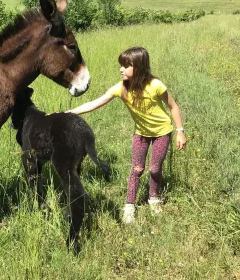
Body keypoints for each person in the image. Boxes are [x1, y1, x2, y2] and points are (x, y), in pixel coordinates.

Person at [66, 46, 187, 224]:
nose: (121, 69)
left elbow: (173, 107)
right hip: (141, 134)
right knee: (137, 169)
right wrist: (68, 112)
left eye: (126, 65)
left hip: (162, 132)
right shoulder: (120, 88)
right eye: (121, 65)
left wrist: (180, 132)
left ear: (139, 66)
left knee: (154, 168)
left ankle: (153, 198)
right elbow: (95, 103)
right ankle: (129, 206)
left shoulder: (155, 85)